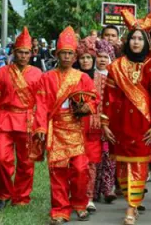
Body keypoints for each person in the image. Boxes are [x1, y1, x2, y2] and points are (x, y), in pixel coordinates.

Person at [101, 11, 151, 225]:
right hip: (119, 125)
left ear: (145, 43)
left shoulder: (150, 66)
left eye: (140, 38)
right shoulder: (116, 66)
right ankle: (132, 201)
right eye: (133, 38)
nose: (136, 42)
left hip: (142, 124)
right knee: (122, 169)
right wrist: (105, 122)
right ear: (128, 41)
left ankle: (131, 207)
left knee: (138, 166)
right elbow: (108, 96)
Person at [33, 26, 99, 225]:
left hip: (76, 129)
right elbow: (41, 105)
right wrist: (41, 128)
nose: (67, 57)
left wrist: (86, 107)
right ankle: (60, 210)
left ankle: (79, 204)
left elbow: (94, 99)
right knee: (58, 171)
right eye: (64, 53)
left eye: (70, 53)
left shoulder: (83, 78)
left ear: (75, 55)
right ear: (57, 54)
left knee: (80, 170)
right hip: (56, 129)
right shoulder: (47, 78)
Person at [0, 27, 42, 211]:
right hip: (5, 120)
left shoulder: (37, 73)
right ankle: (4, 194)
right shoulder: (3, 72)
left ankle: (21, 197)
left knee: (26, 163)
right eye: (20, 52)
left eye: (26, 53)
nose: (23, 56)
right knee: (1, 159)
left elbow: (41, 102)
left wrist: (41, 125)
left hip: (27, 120)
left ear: (31, 54)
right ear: (14, 52)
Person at [74, 37, 104, 213]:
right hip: (75, 126)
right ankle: (76, 195)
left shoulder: (101, 78)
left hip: (95, 126)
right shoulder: (73, 77)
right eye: (82, 58)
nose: (85, 61)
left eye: (88, 58)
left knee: (92, 163)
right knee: (76, 163)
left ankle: (89, 197)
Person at [93, 39, 117, 203]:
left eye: (106, 56)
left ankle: (107, 189)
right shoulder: (88, 76)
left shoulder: (115, 78)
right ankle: (93, 191)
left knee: (109, 157)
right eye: (99, 56)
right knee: (95, 158)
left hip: (111, 123)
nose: (102, 59)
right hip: (92, 124)